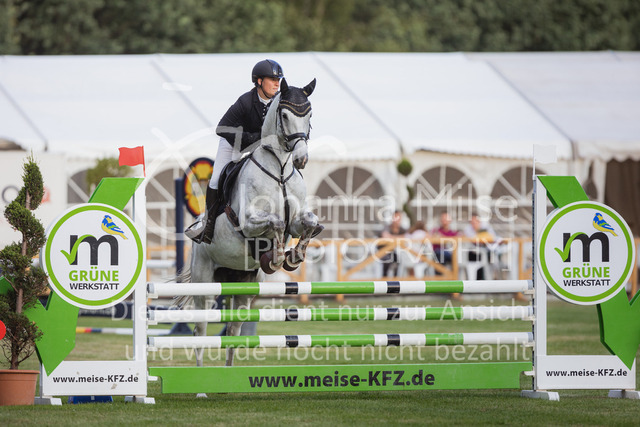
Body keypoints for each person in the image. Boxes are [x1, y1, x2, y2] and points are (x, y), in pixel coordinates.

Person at [185, 59, 284, 244]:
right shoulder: (245, 101)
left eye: (278, 79)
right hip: (233, 144)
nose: (277, 83)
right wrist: (251, 138)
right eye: (272, 79)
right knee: (216, 179)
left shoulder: (279, 103)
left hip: (259, 147)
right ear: (259, 81)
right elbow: (221, 128)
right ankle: (207, 225)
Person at [379, 210, 407, 277]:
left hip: (398, 253)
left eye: (398, 217)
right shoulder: (387, 227)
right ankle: (384, 280)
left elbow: (406, 237)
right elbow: (385, 235)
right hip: (385, 252)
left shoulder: (402, 229)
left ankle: (395, 280)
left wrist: (391, 237)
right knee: (387, 261)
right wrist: (398, 238)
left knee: (398, 260)